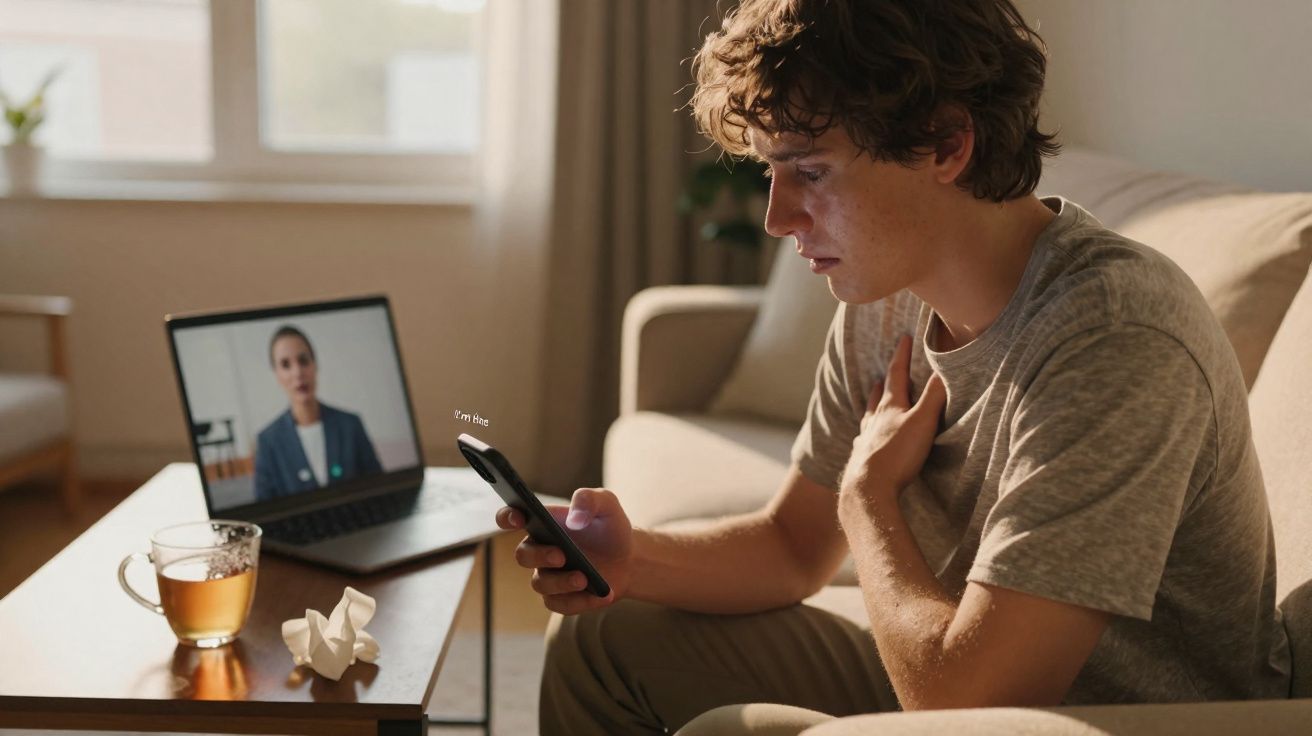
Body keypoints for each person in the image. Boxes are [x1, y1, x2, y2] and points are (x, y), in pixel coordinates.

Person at [496, 1, 1291, 734]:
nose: (777, 218)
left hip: (1104, 719)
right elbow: (791, 547)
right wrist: (633, 561)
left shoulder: (1115, 335)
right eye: (771, 173)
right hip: (955, 672)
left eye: (810, 173)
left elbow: (966, 704)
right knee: (602, 637)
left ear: (947, 144)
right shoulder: (887, 298)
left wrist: (869, 496)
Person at [253, 325, 382, 502]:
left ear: (315, 365)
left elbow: (380, 489)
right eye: (285, 365)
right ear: (277, 375)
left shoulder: (351, 425)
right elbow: (263, 510)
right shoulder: (268, 442)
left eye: (303, 361)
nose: (297, 373)